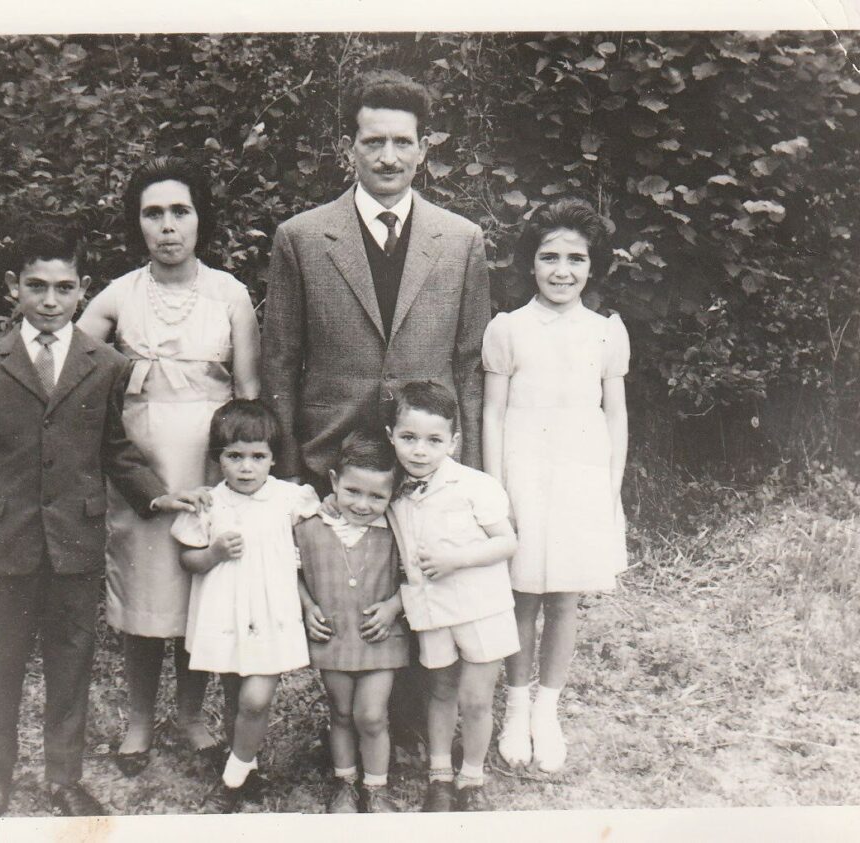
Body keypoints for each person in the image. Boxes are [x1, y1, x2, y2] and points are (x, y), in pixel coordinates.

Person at [0, 157, 261, 774]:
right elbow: (49, 348)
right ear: (136, 223)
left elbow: (249, 393)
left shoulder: (230, 294)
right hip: (137, 464)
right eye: (153, 213)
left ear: (200, 218)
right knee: (145, 591)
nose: (167, 226)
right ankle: (140, 720)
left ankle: (191, 715)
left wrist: (243, 477)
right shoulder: (119, 293)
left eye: (180, 211)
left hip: (208, 464)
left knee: (201, 590)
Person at [260, 67, 491, 748]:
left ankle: (416, 721)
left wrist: (470, 462)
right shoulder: (303, 237)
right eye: (373, 142)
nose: (388, 157)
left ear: (424, 148)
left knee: (420, 572)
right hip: (335, 446)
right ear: (350, 148)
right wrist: (290, 464)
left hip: (424, 448)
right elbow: (281, 359)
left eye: (402, 142)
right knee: (351, 584)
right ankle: (353, 723)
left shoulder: (461, 239)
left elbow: (469, 360)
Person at [0, 221, 203, 817]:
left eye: (64, 288)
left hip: (75, 543)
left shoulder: (104, 363)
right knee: (2, 662)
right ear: (13, 287)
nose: (49, 301)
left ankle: (64, 778)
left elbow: (114, 447)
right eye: (36, 286)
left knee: (71, 661)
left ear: (83, 289)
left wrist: (155, 496)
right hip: (7, 542)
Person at [481, 197, 629, 775]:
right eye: (549, 257)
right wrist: (497, 493)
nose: (562, 271)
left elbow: (615, 415)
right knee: (523, 593)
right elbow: (493, 414)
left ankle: (547, 711)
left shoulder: (605, 332)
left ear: (593, 266)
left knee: (564, 596)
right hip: (524, 470)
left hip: (581, 472)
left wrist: (609, 489)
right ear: (530, 263)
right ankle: (516, 707)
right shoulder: (508, 329)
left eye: (576, 259)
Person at [171, 400, 321, 813]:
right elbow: (188, 560)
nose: (246, 467)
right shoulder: (210, 503)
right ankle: (247, 765)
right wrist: (214, 553)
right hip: (226, 613)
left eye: (257, 456)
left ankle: (232, 779)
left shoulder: (289, 498)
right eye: (234, 456)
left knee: (256, 699)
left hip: (271, 613)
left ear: (273, 458)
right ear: (218, 458)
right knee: (236, 695)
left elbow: (318, 537)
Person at [384, 381, 518, 812]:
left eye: (433, 440)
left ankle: (472, 777)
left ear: (454, 442)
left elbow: (507, 543)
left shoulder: (475, 485)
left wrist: (456, 559)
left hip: (481, 607)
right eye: (408, 438)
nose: (420, 451)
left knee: (475, 699)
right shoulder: (391, 491)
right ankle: (439, 775)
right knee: (439, 691)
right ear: (391, 436)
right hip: (432, 609)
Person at [296, 429, 407, 813]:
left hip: (381, 639)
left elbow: (417, 578)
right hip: (334, 636)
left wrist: (394, 606)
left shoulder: (396, 531)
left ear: (392, 494)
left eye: (377, 496)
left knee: (372, 715)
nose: (362, 504)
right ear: (333, 482)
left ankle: (376, 787)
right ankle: (344, 782)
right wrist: (307, 607)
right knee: (341, 712)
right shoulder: (310, 525)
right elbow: (290, 572)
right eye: (352, 492)